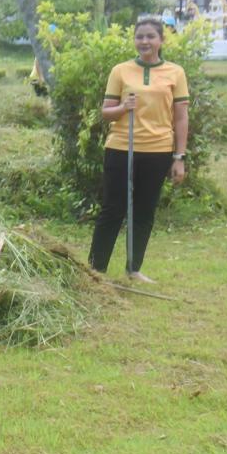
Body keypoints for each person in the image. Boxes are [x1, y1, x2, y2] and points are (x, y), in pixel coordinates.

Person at [88, 17, 189, 283]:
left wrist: (179, 156)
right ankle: (95, 270)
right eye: (139, 36)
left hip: (158, 150)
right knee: (112, 208)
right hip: (121, 147)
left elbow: (180, 117)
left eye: (150, 36)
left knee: (144, 210)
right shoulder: (120, 71)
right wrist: (123, 108)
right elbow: (106, 112)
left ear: (161, 40)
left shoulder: (175, 73)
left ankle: (133, 268)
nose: (144, 41)